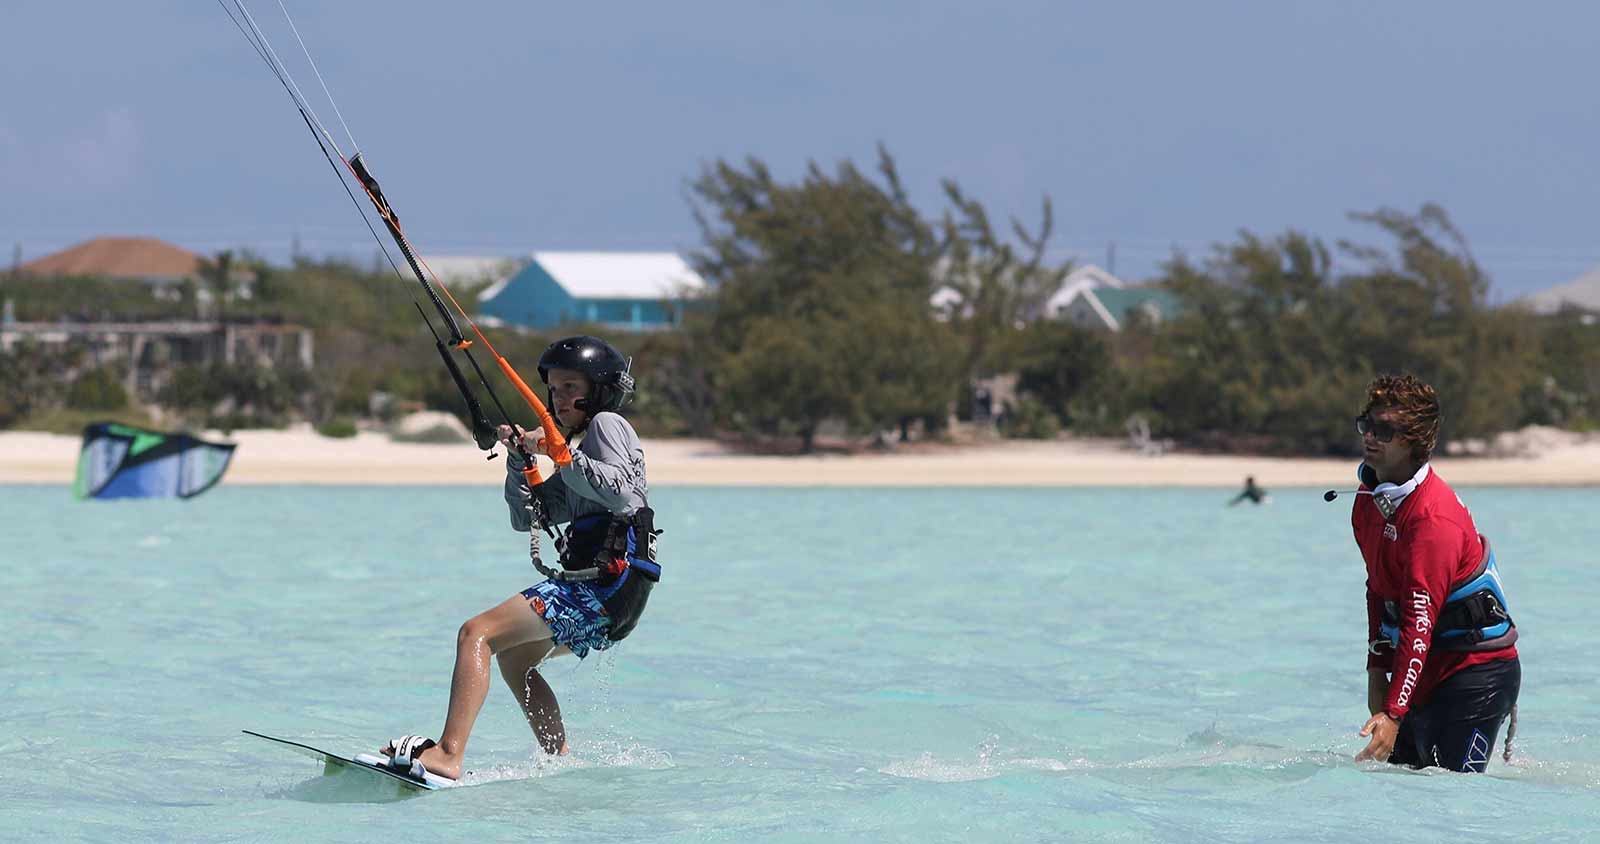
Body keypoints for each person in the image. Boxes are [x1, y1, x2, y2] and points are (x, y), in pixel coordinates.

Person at [380, 335, 659, 782]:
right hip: (613, 594)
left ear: (602, 390)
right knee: (515, 660)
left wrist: (558, 451)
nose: (559, 397)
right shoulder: (581, 447)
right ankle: (559, 759)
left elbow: (622, 492)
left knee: (477, 632)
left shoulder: (607, 424)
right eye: (554, 388)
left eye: (571, 387)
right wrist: (519, 459)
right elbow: (531, 514)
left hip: (604, 585)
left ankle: (449, 754)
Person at [1350, 374, 1519, 773]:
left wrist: (1393, 712)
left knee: (1452, 797)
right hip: (1424, 667)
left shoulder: (1432, 520)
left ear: (1414, 440)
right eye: (1367, 425)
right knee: (1399, 790)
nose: (1370, 437)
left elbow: (1418, 621)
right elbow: (1378, 589)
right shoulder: (1367, 499)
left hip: (1476, 675)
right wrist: (1377, 673)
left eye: (1385, 430)